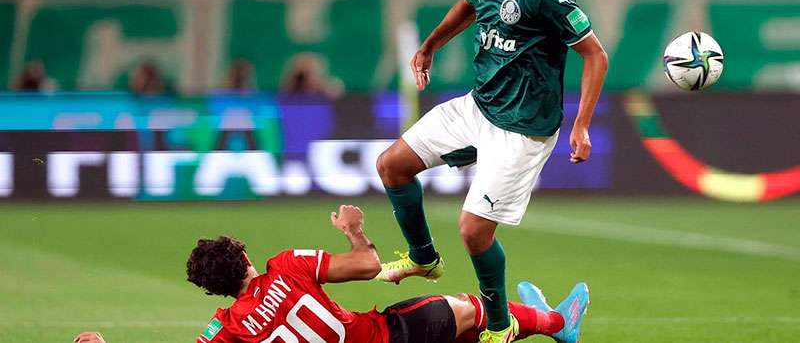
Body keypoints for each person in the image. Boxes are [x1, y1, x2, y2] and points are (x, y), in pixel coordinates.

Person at [374, 0, 605, 343]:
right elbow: (468, 4)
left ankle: (498, 327)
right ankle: (423, 258)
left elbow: (595, 54)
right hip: (479, 106)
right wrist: (429, 46)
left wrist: (581, 124)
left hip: (522, 130)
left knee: (474, 231)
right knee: (392, 166)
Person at [74, 205, 588, 343]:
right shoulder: (286, 268)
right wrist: (355, 230)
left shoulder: (227, 328)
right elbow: (366, 265)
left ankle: (538, 316)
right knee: (468, 311)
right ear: (245, 257)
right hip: (384, 337)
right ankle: (556, 324)